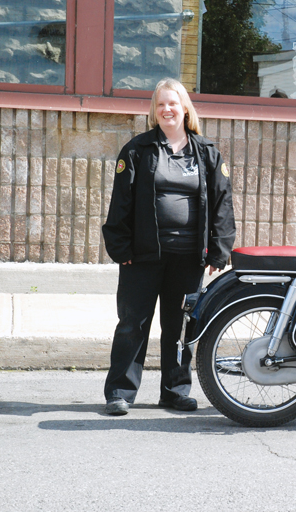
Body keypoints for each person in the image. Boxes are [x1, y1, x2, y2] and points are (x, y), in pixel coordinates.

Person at [101, 78, 235, 415]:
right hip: (143, 256)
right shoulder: (137, 150)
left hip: (189, 258)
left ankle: (175, 391)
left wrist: (219, 249)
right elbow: (120, 204)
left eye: (173, 103)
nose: (167, 109)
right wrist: (121, 250)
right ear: (154, 111)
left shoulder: (207, 152)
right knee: (133, 324)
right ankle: (120, 392)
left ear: (185, 108)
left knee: (179, 327)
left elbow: (222, 203)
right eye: (160, 104)